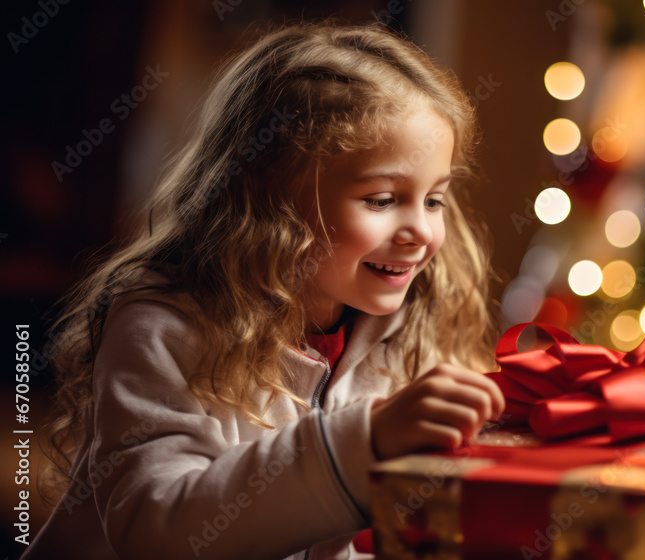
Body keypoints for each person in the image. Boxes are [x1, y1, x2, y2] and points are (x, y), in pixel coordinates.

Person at [22, 19, 505, 560]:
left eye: (435, 200)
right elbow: (159, 528)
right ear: (270, 195)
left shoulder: (410, 330)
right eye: (382, 199)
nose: (421, 232)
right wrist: (362, 444)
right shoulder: (164, 325)